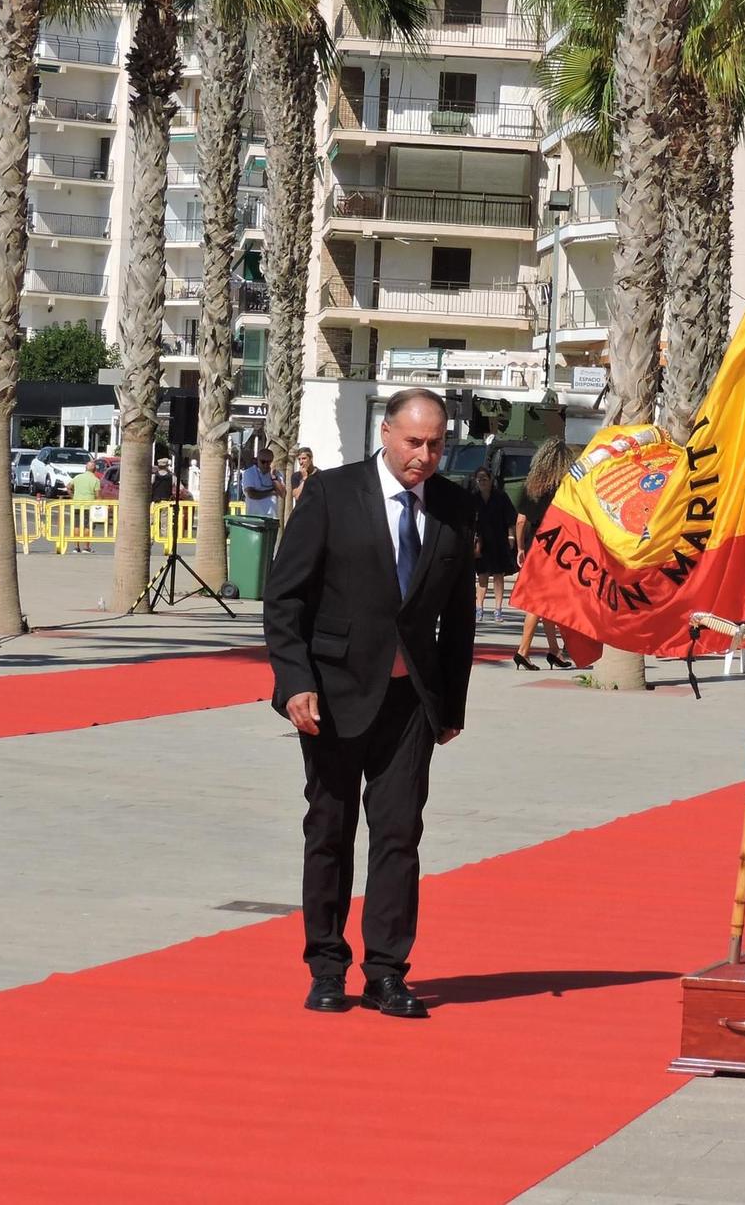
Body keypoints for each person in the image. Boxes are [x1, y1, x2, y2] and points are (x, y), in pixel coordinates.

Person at [263, 388, 474, 1020]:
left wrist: (451, 706)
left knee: (398, 837)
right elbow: (285, 599)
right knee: (329, 830)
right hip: (331, 696)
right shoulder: (331, 494)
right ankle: (327, 966)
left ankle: (387, 972)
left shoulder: (454, 508)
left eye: (436, 444)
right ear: (385, 433)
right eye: (414, 442)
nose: (425, 456)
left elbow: (459, 618)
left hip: (411, 702)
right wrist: (294, 682)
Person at [512, 439, 576, 670]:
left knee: (546, 600)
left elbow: (521, 521)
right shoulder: (565, 487)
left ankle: (554, 649)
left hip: (534, 544)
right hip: (557, 546)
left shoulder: (530, 486)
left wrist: (520, 548)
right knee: (541, 602)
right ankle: (523, 651)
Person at [469, 467, 517, 617]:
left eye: (484, 479)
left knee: (498, 576)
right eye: (479, 479)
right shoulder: (473, 498)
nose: (482, 482)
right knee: (482, 576)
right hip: (481, 543)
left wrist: (511, 537)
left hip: (499, 541)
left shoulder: (501, 497)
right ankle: (479, 608)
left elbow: (510, 520)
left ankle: (498, 609)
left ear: (491, 480)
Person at [69, 460, 101, 553]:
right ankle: (86, 548)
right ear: (95, 470)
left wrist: (73, 496)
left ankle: (76, 547)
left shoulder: (77, 477)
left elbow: (68, 487)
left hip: (77, 505)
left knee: (77, 526)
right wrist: (101, 504)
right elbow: (98, 495)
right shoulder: (96, 480)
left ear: (85, 468)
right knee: (88, 526)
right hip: (89, 506)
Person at [240, 449, 283, 516]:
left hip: (272, 517)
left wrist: (274, 477)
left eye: (269, 462)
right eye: (263, 461)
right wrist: (272, 492)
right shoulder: (249, 473)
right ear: (257, 460)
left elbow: (282, 493)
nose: (266, 465)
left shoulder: (276, 474)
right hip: (254, 518)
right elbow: (251, 494)